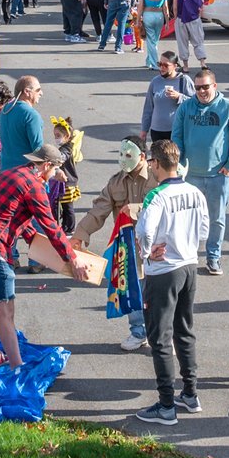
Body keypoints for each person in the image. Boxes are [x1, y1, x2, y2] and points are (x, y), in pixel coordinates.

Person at [0, 142, 92, 368]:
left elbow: (10, 213)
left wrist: (31, 238)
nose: (56, 174)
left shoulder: (12, 174)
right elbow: (51, 226)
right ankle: (17, 367)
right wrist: (72, 259)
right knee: (5, 311)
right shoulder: (34, 186)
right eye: (56, 169)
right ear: (46, 165)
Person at [134, 140, 210, 423]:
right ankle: (190, 393)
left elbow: (145, 230)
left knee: (160, 337)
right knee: (184, 330)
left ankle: (166, 405)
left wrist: (147, 251)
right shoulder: (195, 192)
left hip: (163, 271)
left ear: (154, 163)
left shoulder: (156, 195)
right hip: (190, 266)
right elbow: (204, 230)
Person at [73, 136, 156, 353]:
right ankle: (139, 332)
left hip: (158, 246)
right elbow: (98, 210)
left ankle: (162, 332)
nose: (123, 159)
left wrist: (135, 208)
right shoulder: (115, 182)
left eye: (129, 155)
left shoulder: (157, 177)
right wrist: (80, 235)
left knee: (158, 292)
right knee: (132, 288)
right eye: (121, 154)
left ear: (143, 157)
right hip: (129, 247)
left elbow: (162, 205)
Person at [174, 68, 229, 274]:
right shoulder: (186, 108)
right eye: (197, 88)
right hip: (190, 175)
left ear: (214, 85)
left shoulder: (228, 108)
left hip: (218, 176)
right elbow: (176, 136)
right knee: (188, 217)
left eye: (205, 86)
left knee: (216, 219)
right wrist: (178, 164)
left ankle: (213, 257)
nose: (201, 91)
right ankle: (188, 255)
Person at [0, 74, 47, 173]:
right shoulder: (31, 115)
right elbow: (38, 149)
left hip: (5, 171)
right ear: (27, 91)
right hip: (24, 174)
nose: (41, 93)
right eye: (38, 90)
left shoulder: (5, 110)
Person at [140, 51, 185, 147]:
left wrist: (179, 96)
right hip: (157, 131)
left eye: (166, 65)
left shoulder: (183, 80)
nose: (162, 68)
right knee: (159, 160)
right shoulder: (155, 81)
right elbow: (148, 107)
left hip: (176, 131)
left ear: (175, 66)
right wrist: (144, 130)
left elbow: (195, 102)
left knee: (173, 161)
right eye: (160, 64)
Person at [174, 0, 210, 65]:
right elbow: (201, 6)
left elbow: (175, 6)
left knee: (182, 42)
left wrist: (175, 17)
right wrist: (199, 17)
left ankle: (185, 65)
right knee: (198, 41)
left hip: (181, 18)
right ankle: (202, 62)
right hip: (194, 18)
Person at [138, 0, 171, 70]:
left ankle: (155, 63)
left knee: (151, 40)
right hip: (159, 16)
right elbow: (166, 9)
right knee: (154, 39)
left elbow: (140, 7)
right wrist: (167, 22)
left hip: (148, 15)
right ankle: (149, 61)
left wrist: (138, 20)